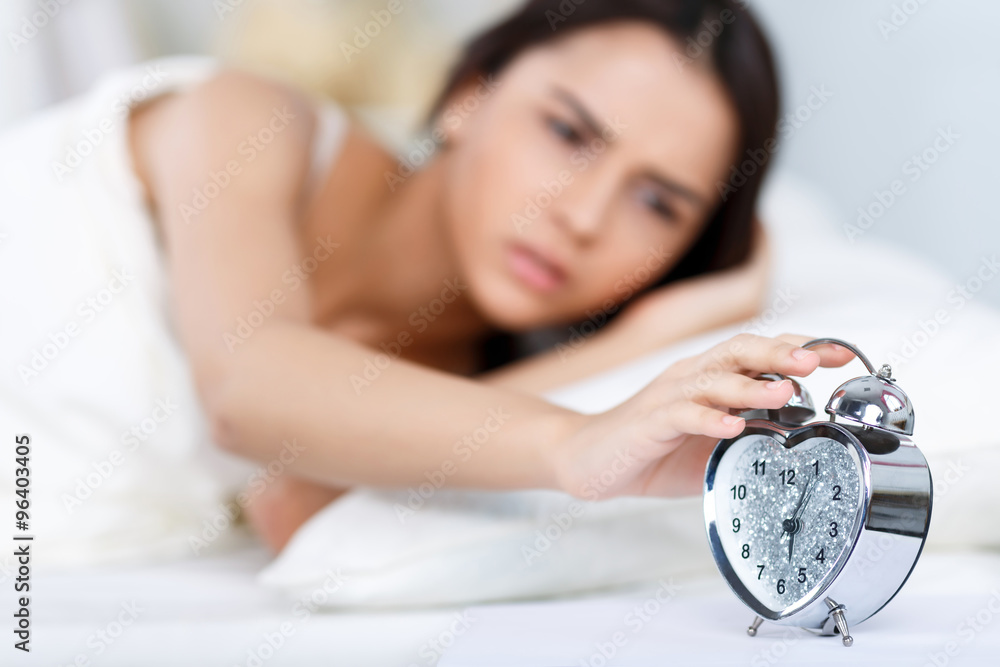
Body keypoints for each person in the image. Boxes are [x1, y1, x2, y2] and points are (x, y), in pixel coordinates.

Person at [126, 0, 853, 552]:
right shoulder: (250, 120)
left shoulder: (474, 380)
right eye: (568, 132)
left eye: (657, 204)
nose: (584, 217)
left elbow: (292, 498)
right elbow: (247, 388)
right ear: (469, 95)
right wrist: (574, 441)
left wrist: (642, 339)